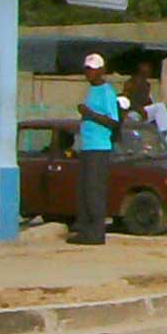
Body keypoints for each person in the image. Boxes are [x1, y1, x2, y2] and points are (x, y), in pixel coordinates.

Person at [71, 54, 119, 246]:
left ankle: (96, 233)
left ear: (101, 70)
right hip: (87, 145)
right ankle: (84, 231)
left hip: (99, 147)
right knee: (84, 191)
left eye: (92, 69)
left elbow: (113, 121)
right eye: (86, 69)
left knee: (94, 190)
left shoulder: (107, 92)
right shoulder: (91, 91)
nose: (88, 72)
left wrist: (89, 114)